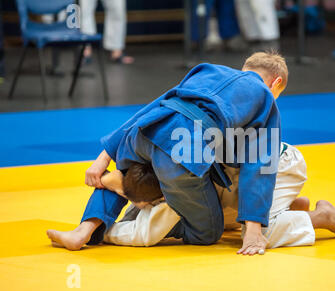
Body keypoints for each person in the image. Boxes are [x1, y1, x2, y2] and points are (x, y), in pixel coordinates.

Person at [48, 51, 287, 256]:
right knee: (208, 233)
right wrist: (253, 230)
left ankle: (84, 229)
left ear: (244, 69)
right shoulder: (265, 97)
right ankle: (141, 194)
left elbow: (156, 104)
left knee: (131, 168)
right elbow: (260, 162)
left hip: (147, 130)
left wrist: (104, 156)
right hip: (184, 148)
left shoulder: (208, 70)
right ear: (275, 84)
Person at [47, 143, 335, 251]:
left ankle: (320, 217)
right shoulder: (161, 159)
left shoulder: (175, 196)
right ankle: (287, 205)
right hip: (250, 170)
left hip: (272, 167)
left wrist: (105, 232)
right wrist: (105, 167)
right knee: (216, 217)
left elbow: (143, 234)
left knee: (256, 234)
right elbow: (126, 136)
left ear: (149, 200)